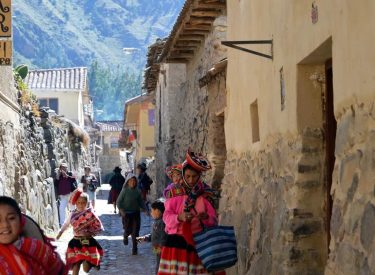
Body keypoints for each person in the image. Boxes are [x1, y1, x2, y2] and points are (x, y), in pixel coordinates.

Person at [158, 149, 225, 275]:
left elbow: (213, 219)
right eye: (188, 176)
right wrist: (179, 217)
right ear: (183, 175)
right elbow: (166, 217)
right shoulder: (174, 193)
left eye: (194, 176)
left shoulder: (205, 194)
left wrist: (206, 217)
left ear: (199, 176)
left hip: (199, 244)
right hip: (177, 244)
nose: (191, 180)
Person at [0, 196, 67, 275]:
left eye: (11, 218)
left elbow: (57, 269)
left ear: (20, 221)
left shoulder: (38, 248)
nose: (5, 225)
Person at [57, 190, 104, 275]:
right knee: (76, 263)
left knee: (86, 269)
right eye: (78, 202)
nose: (81, 205)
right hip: (76, 242)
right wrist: (61, 232)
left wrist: (90, 232)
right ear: (76, 203)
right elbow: (66, 224)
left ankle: (91, 263)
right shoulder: (72, 214)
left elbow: (98, 226)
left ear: (87, 203)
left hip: (88, 242)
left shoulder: (90, 214)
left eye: (83, 203)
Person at [117, 173, 147, 255]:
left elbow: (141, 201)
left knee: (136, 232)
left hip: (136, 214)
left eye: (134, 181)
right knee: (128, 230)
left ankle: (135, 248)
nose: (133, 183)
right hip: (126, 214)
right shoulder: (124, 191)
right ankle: (125, 235)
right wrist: (121, 210)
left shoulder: (137, 191)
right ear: (127, 182)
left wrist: (145, 209)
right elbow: (118, 202)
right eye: (131, 181)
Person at [137, 200, 167, 274]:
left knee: (160, 264)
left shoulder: (162, 222)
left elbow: (163, 237)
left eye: (151, 210)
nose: (151, 213)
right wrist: (145, 238)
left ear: (157, 211)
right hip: (156, 247)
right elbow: (154, 234)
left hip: (161, 248)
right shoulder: (157, 221)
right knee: (158, 262)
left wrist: (161, 248)